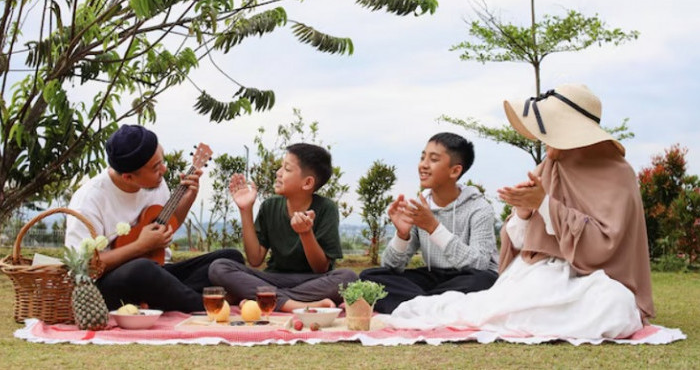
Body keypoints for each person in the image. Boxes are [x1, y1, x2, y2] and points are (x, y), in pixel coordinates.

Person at [383, 84, 655, 339]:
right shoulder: (547, 170)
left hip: (595, 278)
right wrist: (524, 213)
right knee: (508, 300)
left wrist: (545, 205)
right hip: (543, 273)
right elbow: (523, 245)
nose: (543, 140)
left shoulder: (617, 175)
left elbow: (605, 245)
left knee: (616, 307)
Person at [65, 124, 244, 312]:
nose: (164, 169)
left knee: (229, 258)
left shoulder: (155, 182)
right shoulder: (88, 200)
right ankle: (204, 304)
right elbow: (84, 266)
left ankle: (166, 300)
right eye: (156, 167)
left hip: (159, 273)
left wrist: (188, 198)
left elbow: (167, 224)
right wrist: (140, 246)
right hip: (109, 285)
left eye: (162, 161)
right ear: (128, 177)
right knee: (142, 269)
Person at [359, 132, 499, 314]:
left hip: (467, 278)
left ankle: (418, 306)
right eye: (422, 157)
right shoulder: (420, 206)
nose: (423, 165)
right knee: (369, 277)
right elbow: (392, 267)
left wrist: (433, 227)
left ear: (455, 171)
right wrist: (402, 236)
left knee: (484, 280)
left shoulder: (479, 208)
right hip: (434, 279)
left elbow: (479, 264)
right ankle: (438, 307)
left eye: (433, 159)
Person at [208, 143, 358, 312]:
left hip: (312, 281)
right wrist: (245, 210)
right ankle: (295, 304)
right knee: (219, 267)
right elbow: (255, 259)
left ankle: (265, 298)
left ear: (307, 183)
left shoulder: (326, 208)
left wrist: (306, 233)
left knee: (348, 278)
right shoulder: (269, 206)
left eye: (286, 169)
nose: (278, 173)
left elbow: (321, 267)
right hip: (272, 278)